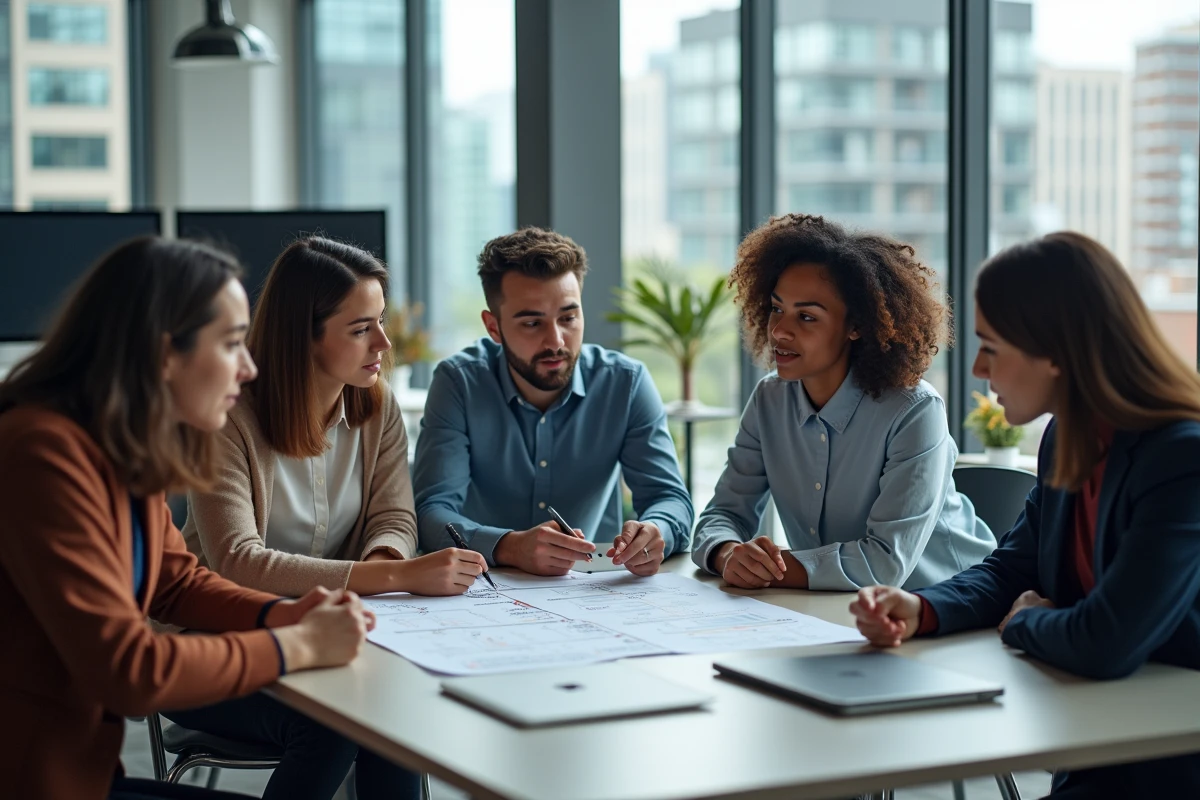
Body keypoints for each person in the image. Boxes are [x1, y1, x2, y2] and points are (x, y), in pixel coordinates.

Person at [0, 237, 371, 800]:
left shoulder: (117, 446)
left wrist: (283, 613)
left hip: (81, 773)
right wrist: (297, 645)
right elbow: (129, 670)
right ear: (165, 353)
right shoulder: (41, 452)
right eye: (231, 344)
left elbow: (175, 584)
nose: (248, 368)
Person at [850, 232, 1200, 797]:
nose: (977, 369)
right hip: (1096, 746)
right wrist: (923, 609)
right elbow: (1013, 568)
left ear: (1055, 350)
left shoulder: (1181, 457)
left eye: (991, 347)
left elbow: (1107, 641)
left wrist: (1024, 622)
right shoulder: (1067, 437)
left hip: (1167, 766)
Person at [174, 236, 486, 799]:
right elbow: (238, 562)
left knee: (394, 712)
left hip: (334, 637)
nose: (384, 342)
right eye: (361, 328)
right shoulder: (229, 416)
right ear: (303, 335)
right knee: (337, 724)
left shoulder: (377, 405)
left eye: (381, 321)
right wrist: (397, 575)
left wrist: (386, 562)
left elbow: (394, 516)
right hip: (217, 645)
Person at [692, 214, 996, 590]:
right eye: (776, 308)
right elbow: (723, 513)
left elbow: (884, 563)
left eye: (806, 317)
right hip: (835, 606)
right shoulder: (770, 400)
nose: (779, 331)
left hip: (951, 601)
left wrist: (766, 568)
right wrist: (728, 554)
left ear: (856, 326)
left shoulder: (914, 410)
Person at [413, 227, 693, 576]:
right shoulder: (459, 383)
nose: (556, 341)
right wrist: (510, 546)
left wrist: (655, 530)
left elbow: (671, 500)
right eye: (532, 323)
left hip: (595, 586)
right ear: (493, 327)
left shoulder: (626, 383)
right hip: (482, 586)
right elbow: (431, 513)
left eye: (568, 318)